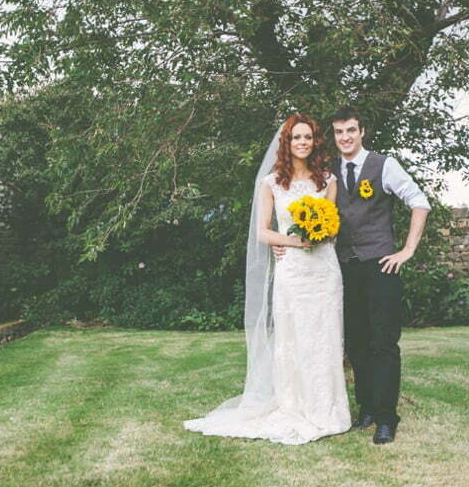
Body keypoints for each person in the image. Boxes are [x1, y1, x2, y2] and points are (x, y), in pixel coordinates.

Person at [183, 113, 351, 445]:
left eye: (307, 137)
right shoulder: (272, 182)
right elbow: (262, 232)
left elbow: (332, 227)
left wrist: (319, 233)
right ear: (286, 143)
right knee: (293, 339)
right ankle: (294, 406)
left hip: (324, 271)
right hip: (292, 271)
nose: (302, 143)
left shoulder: (328, 180)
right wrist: (293, 241)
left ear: (315, 141)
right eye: (296, 137)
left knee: (325, 337)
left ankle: (326, 408)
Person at [275, 107, 430, 445]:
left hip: (381, 265)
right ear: (333, 136)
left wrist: (407, 250)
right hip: (343, 267)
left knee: (383, 342)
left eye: (350, 130)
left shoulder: (384, 165)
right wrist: (284, 243)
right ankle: (367, 409)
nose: (344, 137)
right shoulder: (326, 173)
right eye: (339, 132)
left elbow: (419, 202)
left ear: (362, 132)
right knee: (357, 343)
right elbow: (303, 218)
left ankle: (387, 418)